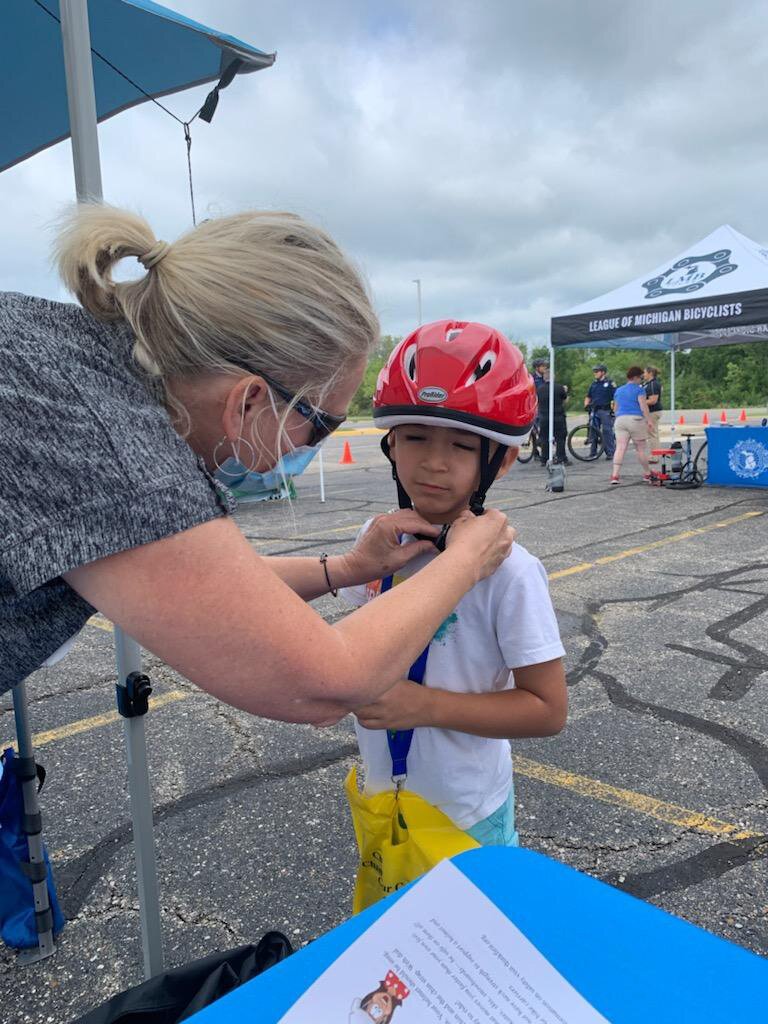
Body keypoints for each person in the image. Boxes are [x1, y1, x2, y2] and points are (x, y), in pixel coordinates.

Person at [0, 205, 515, 722]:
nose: (310, 448)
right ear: (248, 401)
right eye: (322, 425)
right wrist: (467, 559)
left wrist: (346, 570)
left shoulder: (59, 357)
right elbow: (326, 687)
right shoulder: (121, 455)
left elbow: (205, 585)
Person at [342, 321, 567, 848]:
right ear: (390, 444)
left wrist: (424, 707)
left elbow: (548, 710)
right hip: (384, 796)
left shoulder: (510, 572)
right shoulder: (377, 541)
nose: (434, 463)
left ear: (501, 460)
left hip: (466, 814)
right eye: (415, 437)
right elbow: (357, 642)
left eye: (462, 446)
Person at [610, 366, 655, 485]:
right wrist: (649, 420)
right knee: (640, 449)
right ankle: (647, 473)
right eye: (641, 378)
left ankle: (615, 475)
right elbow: (643, 406)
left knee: (620, 448)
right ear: (635, 377)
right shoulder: (639, 390)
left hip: (620, 420)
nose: (641, 380)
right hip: (635, 420)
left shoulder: (619, 390)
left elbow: (615, 408)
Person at [535, 364, 570, 465]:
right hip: (557, 416)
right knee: (560, 438)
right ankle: (561, 457)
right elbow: (564, 400)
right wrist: (565, 391)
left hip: (544, 417)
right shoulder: (559, 388)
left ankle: (544, 459)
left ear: (544, 378)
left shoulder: (539, 389)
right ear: (553, 377)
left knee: (544, 438)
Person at [584, 364, 616, 460]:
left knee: (607, 431)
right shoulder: (594, 384)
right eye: (594, 371)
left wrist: (614, 410)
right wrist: (586, 405)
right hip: (594, 410)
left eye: (597, 371)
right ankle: (593, 453)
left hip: (605, 410)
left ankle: (610, 452)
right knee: (593, 431)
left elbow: (616, 397)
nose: (595, 373)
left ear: (603, 372)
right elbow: (588, 396)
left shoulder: (610, 383)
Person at [643, 365, 663, 461]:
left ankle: (654, 456)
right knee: (653, 434)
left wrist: (640, 402)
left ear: (650, 373)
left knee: (652, 435)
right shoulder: (648, 384)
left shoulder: (653, 384)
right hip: (651, 412)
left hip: (653, 412)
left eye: (645, 372)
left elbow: (653, 400)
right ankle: (656, 454)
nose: (643, 374)